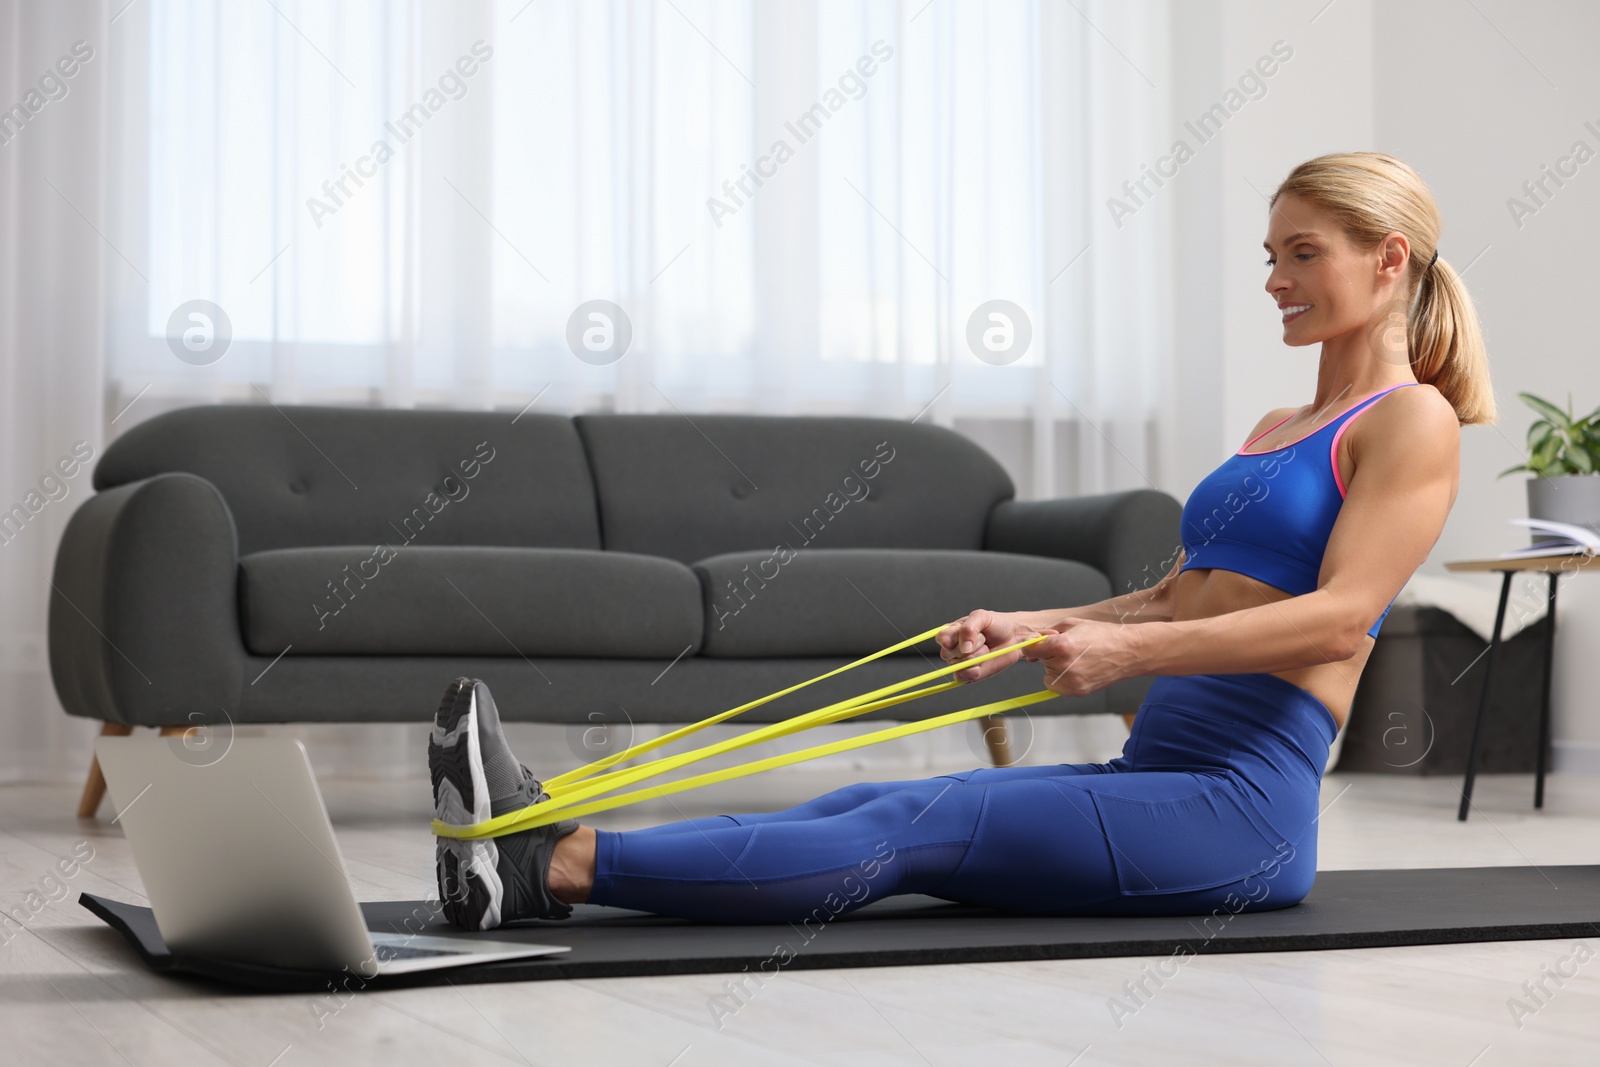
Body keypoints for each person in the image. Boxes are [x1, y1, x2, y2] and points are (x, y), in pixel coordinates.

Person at [429, 151, 1496, 930]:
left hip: (1238, 810)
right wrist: (1046, 620)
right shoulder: (1277, 429)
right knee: (868, 797)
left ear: (1388, 258)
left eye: (1302, 254)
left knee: (915, 825)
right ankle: (537, 836)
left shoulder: (1410, 420)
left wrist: (1117, 655)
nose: (1274, 278)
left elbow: (1342, 616)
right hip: (1153, 773)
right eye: (1270, 254)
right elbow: (1180, 596)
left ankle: (552, 866)